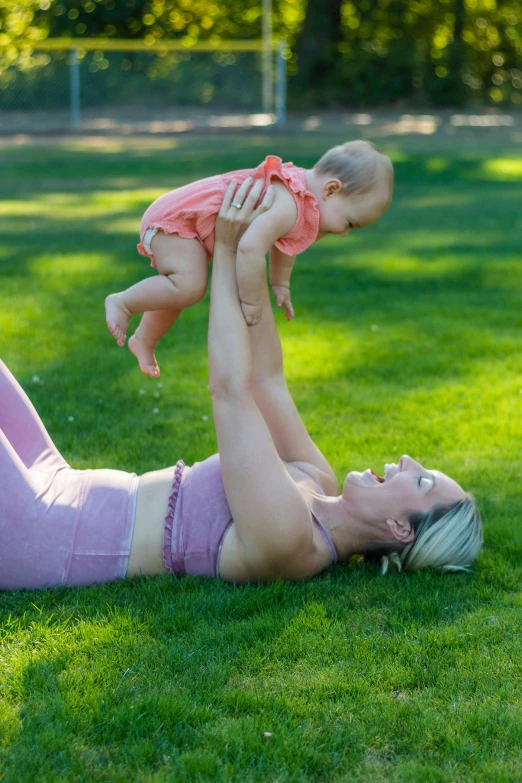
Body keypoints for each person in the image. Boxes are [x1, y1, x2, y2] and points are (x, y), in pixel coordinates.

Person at [0, 180, 481, 592]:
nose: (408, 461)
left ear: (400, 529)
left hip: (45, 533)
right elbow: (266, 377)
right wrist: (256, 247)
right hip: (58, 483)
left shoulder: (292, 543)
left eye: (420, 480)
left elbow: (231, 390)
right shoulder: (315, 478)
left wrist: (227, 250)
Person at [105, 140, 394, 378]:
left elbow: (285, 242)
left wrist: (280, 283)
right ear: (332, 189)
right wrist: (253, 302)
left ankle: (144, 340)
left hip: (188, 223)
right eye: (350, 223)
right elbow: (250, 248)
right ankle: (123, 302)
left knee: (179, 291)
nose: (345, 233)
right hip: (181, 219)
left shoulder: (301, 198)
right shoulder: (289, 202)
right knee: (188, 286)